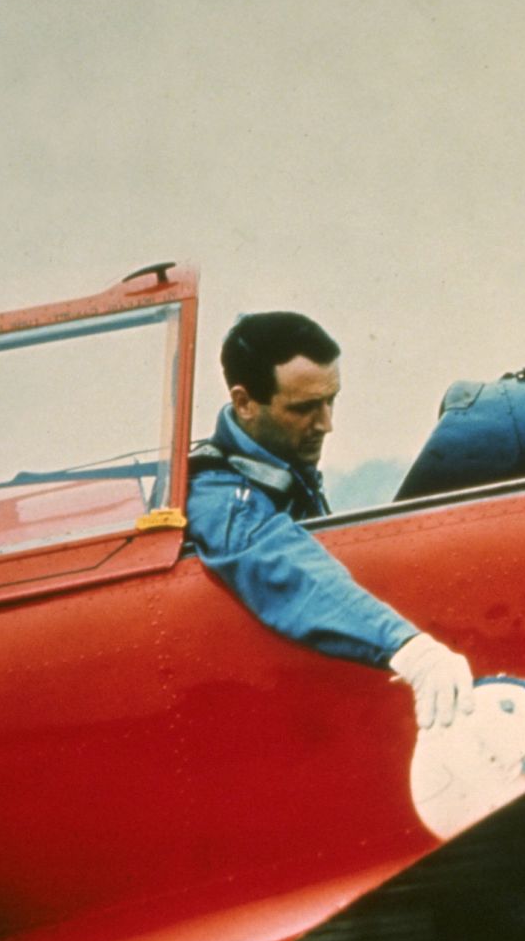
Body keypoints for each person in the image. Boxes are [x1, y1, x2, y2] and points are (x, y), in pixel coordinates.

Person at [186, 311, 474, 730]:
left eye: (330, 400)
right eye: (304, 408)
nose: (327, 424)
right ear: (244, 402)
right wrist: (410, 649)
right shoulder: (218, 494)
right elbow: (277, 561)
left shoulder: (283, 469)